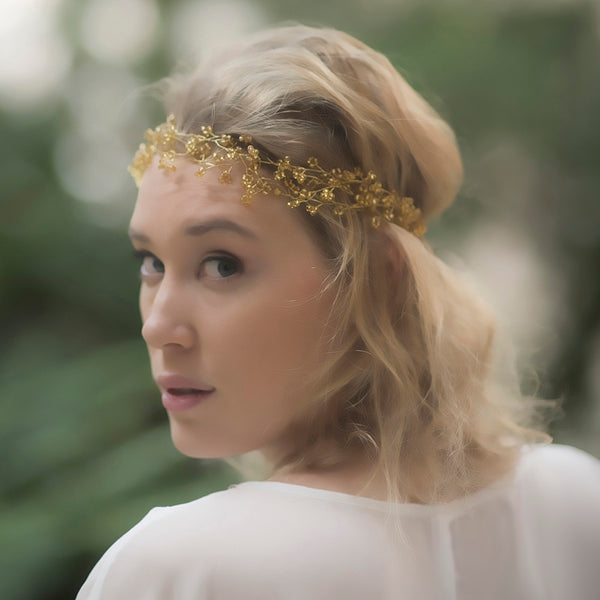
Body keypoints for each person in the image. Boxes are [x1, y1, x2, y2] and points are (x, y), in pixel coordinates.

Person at [76, 25, 600, 600]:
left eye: (221, 265)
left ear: (376, 280)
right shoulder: (575, 497)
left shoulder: (180, 569)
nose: (158, 327)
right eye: (151, 262)